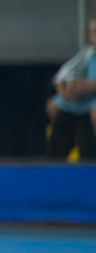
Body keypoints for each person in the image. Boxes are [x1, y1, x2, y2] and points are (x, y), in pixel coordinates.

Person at [46, 16, 96, 160]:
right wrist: (66, 90)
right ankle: (55, 164)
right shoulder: (88, 55)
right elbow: (63, 75)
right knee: (55, 108)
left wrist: (88, 86)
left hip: (92, 104)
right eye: (94, 32)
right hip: (82, 102)